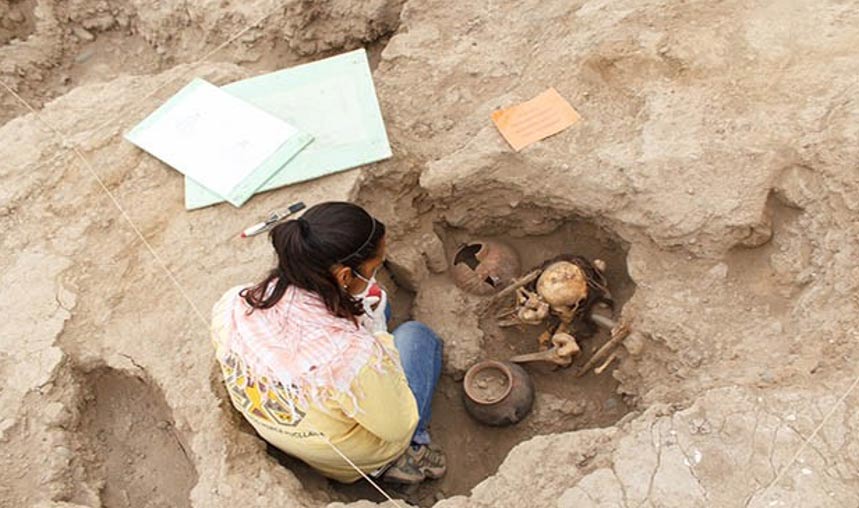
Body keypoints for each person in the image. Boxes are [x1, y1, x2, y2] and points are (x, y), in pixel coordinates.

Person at [211, 201, 445, 485]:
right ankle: (401, 459)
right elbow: (397, 427)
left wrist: (362, 317)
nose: (376, 273)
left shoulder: (236, 302)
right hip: (350, 457)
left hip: (291, 427)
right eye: (375, 266)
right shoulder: (352, 357)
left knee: (377, 306)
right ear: (345, 275)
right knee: (416, 337)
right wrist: (377, 336)